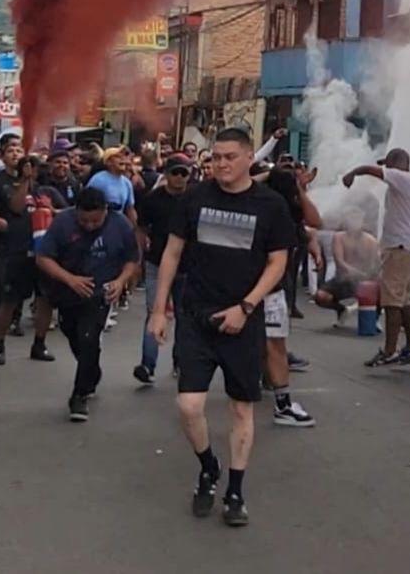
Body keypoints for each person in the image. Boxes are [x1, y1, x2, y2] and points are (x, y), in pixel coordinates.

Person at [148, 128, 296, 527]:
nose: (221, 164)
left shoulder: (271, 205)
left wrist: (246, 308)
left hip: (243, 321)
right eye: (216, 157)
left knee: (241, 407)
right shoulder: (195, 198)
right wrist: (158, 310)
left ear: (250, 157)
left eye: (230, 156)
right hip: (197, 315)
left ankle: (235, 489)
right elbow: (172, 253)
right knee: (189, 405)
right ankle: (208, 466)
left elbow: (277, 263)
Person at [37, 188, 141, 422]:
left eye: (96, 221)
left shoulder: (120, 224)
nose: (90, 226)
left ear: (106, 211)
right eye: (84, 221)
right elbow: (43, 257)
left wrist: (121, 281)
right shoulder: (63, 222)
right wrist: (70, 279)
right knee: (74, 335)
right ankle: (91, 370)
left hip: (99, 294)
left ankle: (79, 395)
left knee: (89, 337)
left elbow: (132, 259)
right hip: (68, 291)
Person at [343, 149, 410, 367]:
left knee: (392, 302)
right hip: (408, 247)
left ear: (395, 165)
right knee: (404, 301)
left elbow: (373, 171)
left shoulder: (401, 178)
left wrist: (353, 172)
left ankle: (390, 350)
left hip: (399, 249)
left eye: (389, 165)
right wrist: (407, 218)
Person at [0, 146, 57, 366]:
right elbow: (16, 207)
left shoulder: (45, 192)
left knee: (44, 300)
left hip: (43, 255)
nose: (31, 171)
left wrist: (52, 211)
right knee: (9, 301)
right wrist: (25, 183)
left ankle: (39, 343)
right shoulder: (10, 188)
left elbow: (66, 213)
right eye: (27, 168)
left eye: (33, 168)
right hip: (18, 253)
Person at [262, 167, 318, 426]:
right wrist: (298, 187)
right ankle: (282, 404)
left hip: (255, 286)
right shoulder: (288, 212)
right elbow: (316, 221)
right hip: (272, 288)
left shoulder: (259, 203)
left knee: (268, 343)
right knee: (275, 344)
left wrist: (267, 176)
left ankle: (262, 384)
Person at [133, 154, 192, 385]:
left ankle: (182, 362)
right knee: (153, 312)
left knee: (185, 317)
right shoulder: (152, 199)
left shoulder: (194, 199)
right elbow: (141, 228)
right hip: (156, 263)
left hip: (188, 266)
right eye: (174, 172)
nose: (179, 178)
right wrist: (139, 256)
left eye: (183, 173)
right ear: (166, 174)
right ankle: (148, 365)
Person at [315, 207, 379, 325]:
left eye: (357, 219)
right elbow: (340, 261)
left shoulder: (371, 241)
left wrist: (365, 277)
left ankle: (374, 319)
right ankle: (342, 310)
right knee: (320, 296)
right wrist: (355, 273)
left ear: (363, 222)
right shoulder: (339, 237)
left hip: (365, 281)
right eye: (351, 219)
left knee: (379, 290)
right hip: (344, 280)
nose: (354, 222)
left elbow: (374, 265)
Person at [86, 148, 138, 227]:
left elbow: (130, 209)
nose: (122, 159)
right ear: (108, 162)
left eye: (123, 156)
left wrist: (135, 229)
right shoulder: (98, 179)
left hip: (117, 226)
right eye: (118, 157)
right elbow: (86, 203)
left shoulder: (127, 183)